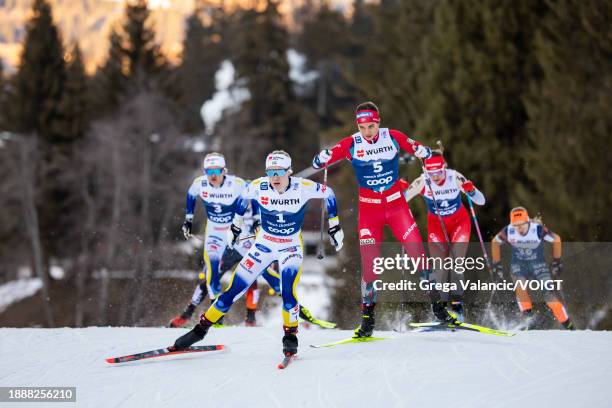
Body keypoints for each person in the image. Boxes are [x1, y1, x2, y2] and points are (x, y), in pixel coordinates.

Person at [171, 150, 344, 358]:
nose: (275, 177)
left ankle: (290, 337)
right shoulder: (258, 185)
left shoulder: (302, 187)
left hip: (290, 247)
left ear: (289, 171)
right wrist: (235, 226)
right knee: (232, 291)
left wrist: (334, 226)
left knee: (288, 293)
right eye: (271, 172)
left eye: (280, 172)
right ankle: (200, 330)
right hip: (263, 244)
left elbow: (330, 193)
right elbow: (243, 199)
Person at [312, 101, 455, 337]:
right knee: (371, 268)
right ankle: (367, 321)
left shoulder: (393, 137)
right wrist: (321, 158)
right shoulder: (351, 143)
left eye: (371, 126)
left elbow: (418, 148)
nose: (367, 132)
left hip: (397, 207)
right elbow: (324, 159)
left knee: (418, 255)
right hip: (370, 212)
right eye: (363, 127)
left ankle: (439, 310)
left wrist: (424, 151)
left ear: (379, 122)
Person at [403, 152, 485, 322]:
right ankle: (442, 313)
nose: (436, 177)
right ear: (426, 171)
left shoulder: (455, 177)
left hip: (459, 224)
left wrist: (471, 191)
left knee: (456, 264)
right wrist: (400, 190)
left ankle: (458, 309)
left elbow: (481, 201)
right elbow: (401, 201)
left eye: (439, 172)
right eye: (431, 174)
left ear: (444, 168)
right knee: (439, 270)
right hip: (436, 227)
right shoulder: (421, 181)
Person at [178, 153, 247, 325]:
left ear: (224, 171)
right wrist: (188, 220)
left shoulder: (236, 184)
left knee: (259, 268)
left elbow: (257, 192)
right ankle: (216, 319)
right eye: (208, 171)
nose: (213, 175)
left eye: (216, 171)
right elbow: (190, 195)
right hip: (215, 232)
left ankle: (284, 310)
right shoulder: (200, 183)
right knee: (212, 273)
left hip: (236, 232)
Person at [491, 207, 575, 330]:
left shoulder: (537, 230)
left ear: (528, 222)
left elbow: (556, 239)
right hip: (518, 266)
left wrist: (557, 261)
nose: (519, 228)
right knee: (520, 288)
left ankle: (569, 325)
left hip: (538, 266)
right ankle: (527, 319)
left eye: (522, 225)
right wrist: (496, 263)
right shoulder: (508, 231)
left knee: (548, 296)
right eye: (516, 225)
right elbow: (495, 242)